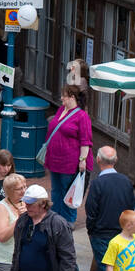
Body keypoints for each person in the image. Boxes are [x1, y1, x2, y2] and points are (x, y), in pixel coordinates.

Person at [85, 146, 135, 271]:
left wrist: (91, 230)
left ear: (98, 160)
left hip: (101, 234)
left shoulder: (97, 184)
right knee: (105, 268)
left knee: (106, 270)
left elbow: (91, 210)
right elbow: (131, 207)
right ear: (115, 161)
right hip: (120, 232)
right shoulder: (126, 182)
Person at [43, 84, 93, 225]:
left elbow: (85, 141)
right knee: (56, 190)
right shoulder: (60, 110)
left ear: (72, 97)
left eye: (64, 95)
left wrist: (82, 160)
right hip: (54, 160)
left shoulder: (82, 116)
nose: (61, 98)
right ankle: (55, 217)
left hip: (69, 163)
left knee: (69, 191)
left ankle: (68, 221)